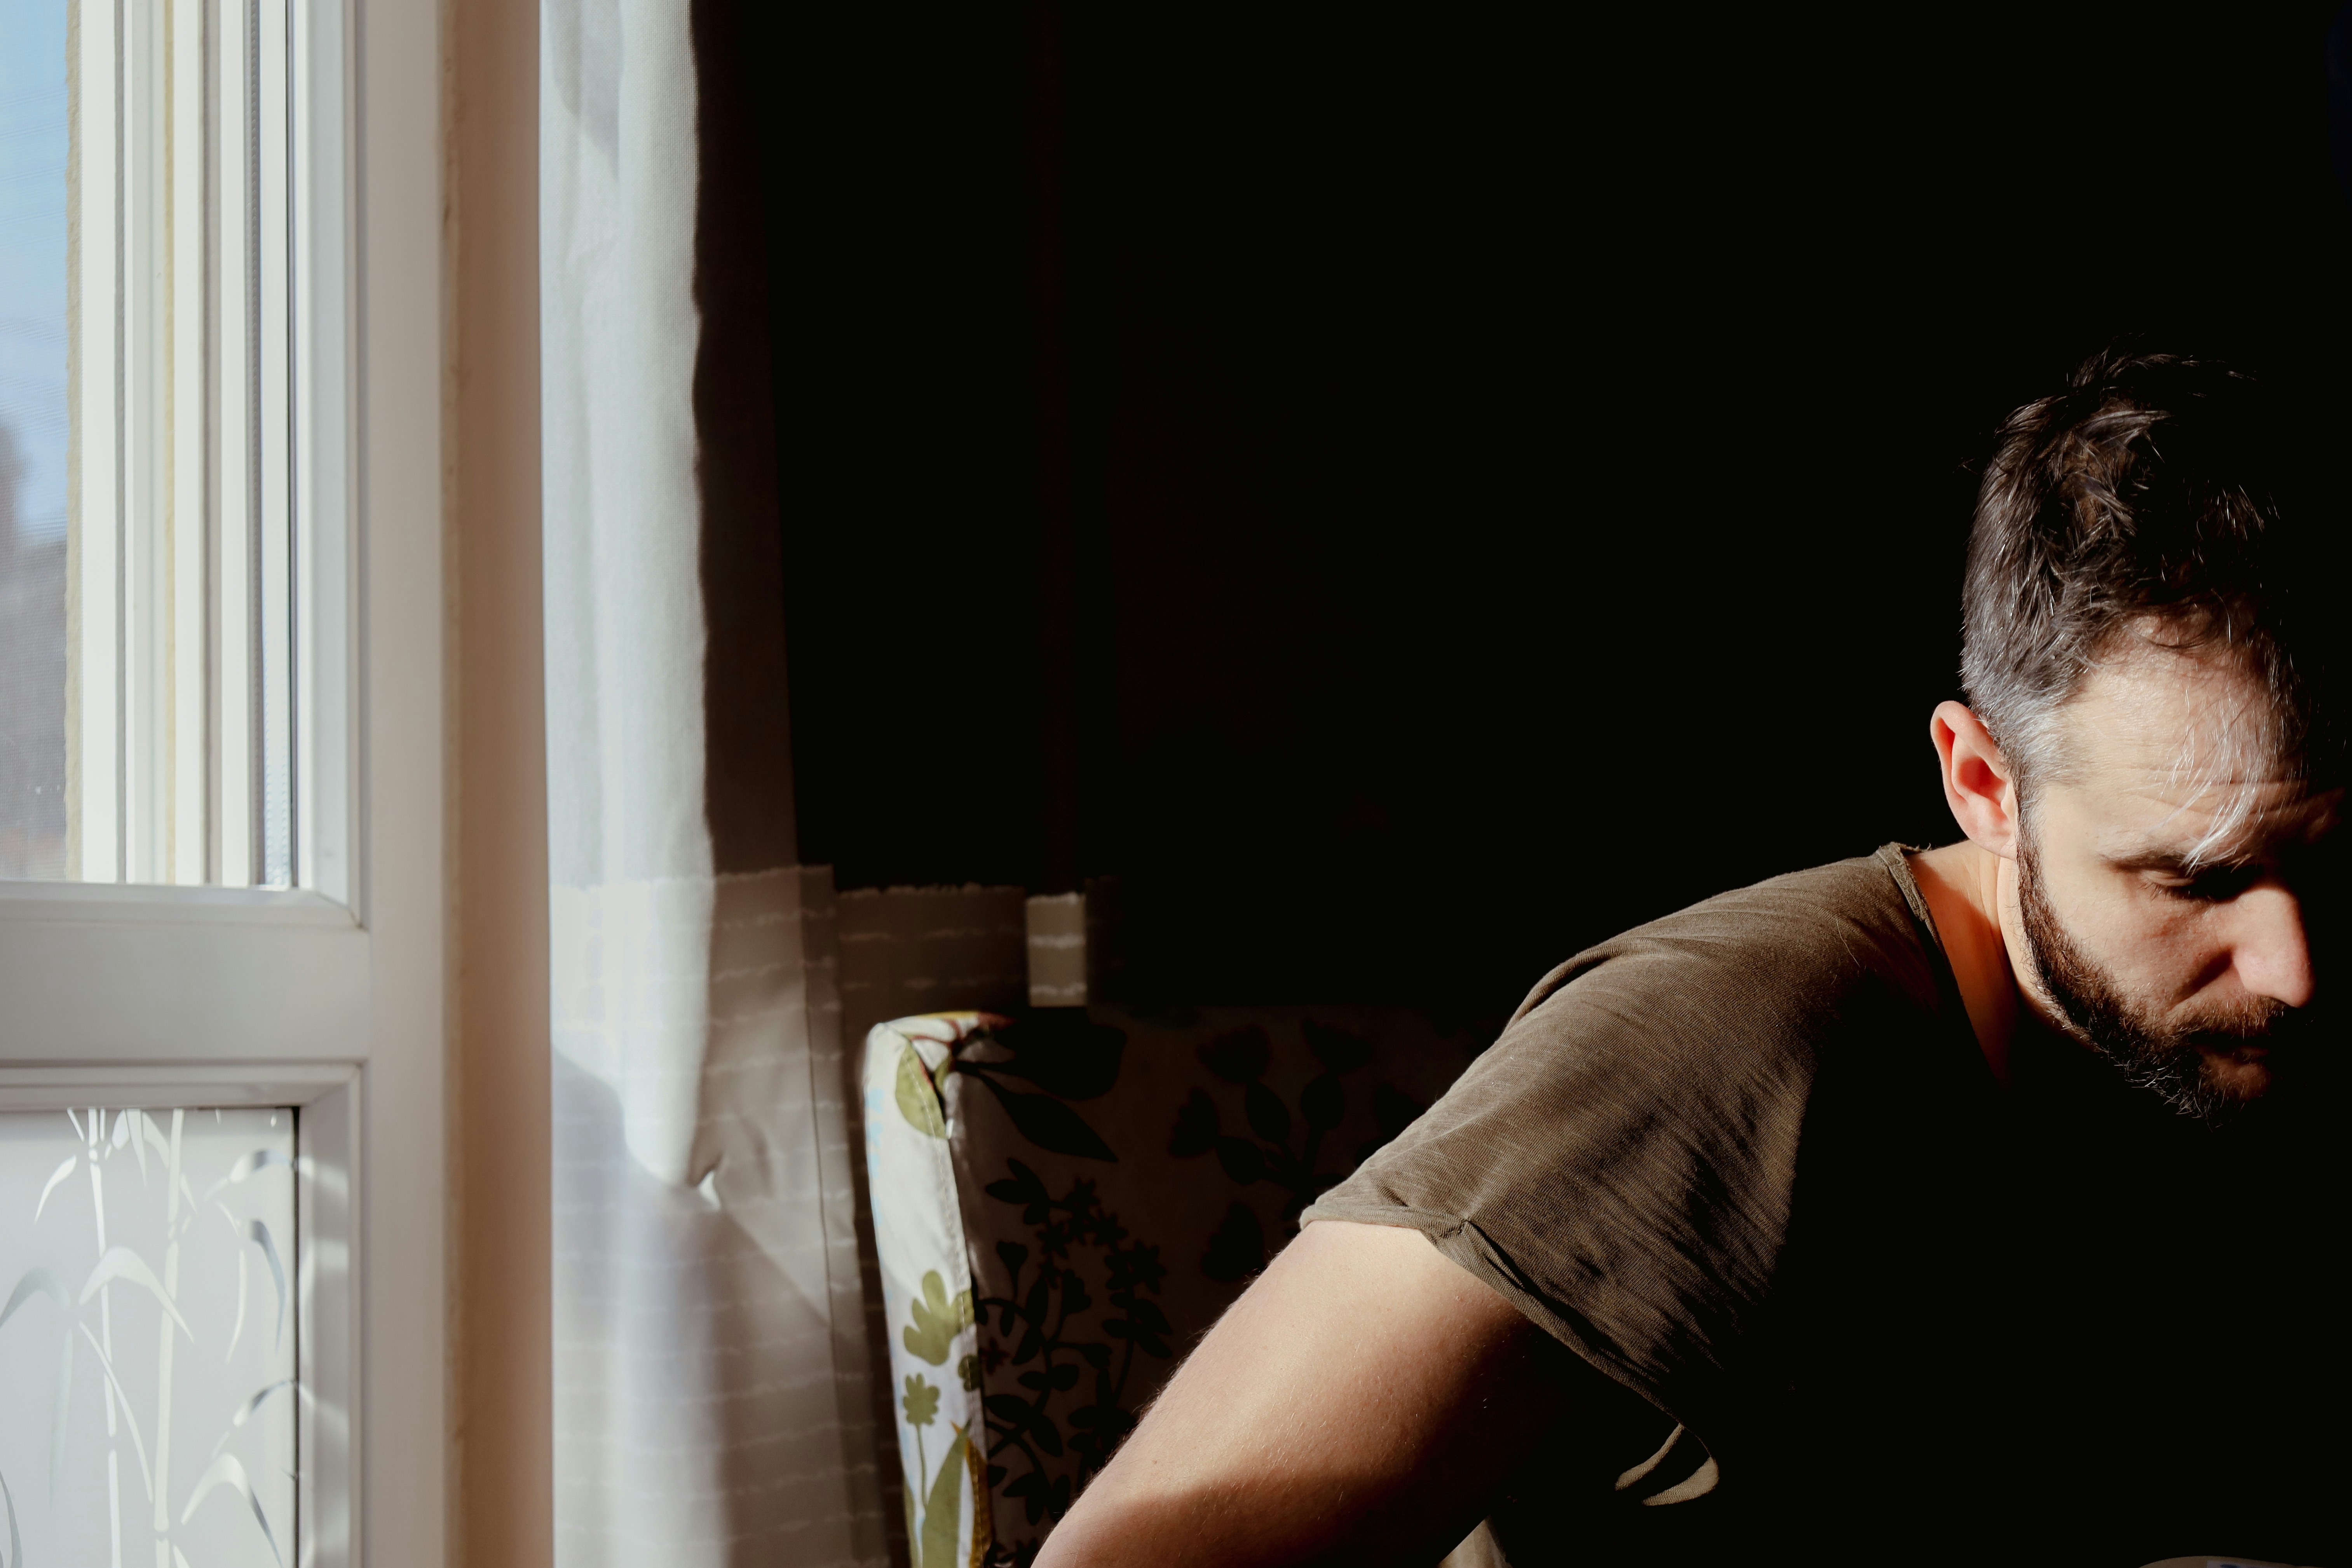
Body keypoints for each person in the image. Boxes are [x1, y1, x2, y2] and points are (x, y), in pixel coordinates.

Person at [1034, 350, 2349, 1567]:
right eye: (2194, 879)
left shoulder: (2217, 1061)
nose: (2294, 967)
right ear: (1985, 786)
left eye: (2338, 856)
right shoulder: (1726, 1049)